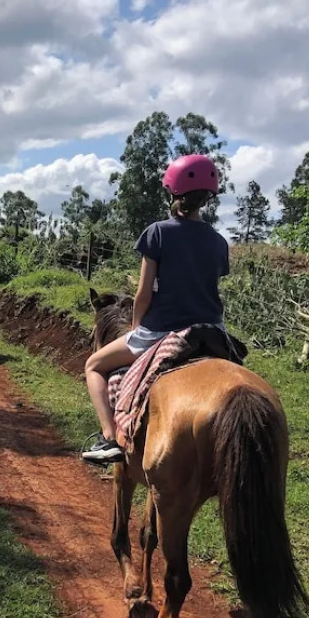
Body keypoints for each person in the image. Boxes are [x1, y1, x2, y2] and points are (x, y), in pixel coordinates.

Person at [81, 155, 229, 465]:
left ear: (172, 192)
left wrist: (136, 326)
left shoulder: (158, 232)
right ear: (208, 197)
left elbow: (143, 293)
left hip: (163, 330)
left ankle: (110, 439)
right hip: (214, 332)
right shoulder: (219, 242)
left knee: (94, 365)